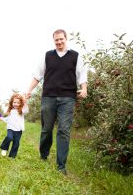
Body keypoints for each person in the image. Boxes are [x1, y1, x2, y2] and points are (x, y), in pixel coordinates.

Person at [26, 29, 88, 175]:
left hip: (68, 98)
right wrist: (28, 90)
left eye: (61, 39)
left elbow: (82, 75)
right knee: (46, 128)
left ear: (66, 39)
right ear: (53, 41)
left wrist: (84, 89)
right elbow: (37, 75)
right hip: (49, 97)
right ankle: (43, 155)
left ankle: (61, 166)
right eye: (56, 40)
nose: (59, 42)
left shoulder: (75, 56)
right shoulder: (47, 56)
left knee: (64, 130)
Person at [0, 93, 29, 158]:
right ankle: (4, 148)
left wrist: (25, 101)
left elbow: (26, 110)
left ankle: (12, 156)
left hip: (19, 130)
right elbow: (8, 118)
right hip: (10, 128)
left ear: (21, 103)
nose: (16, 104)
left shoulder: (21, 111)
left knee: (16, 143)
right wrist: (3, 119)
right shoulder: (11, 110)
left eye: (18, 103)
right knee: (9, 137)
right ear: (12, 102)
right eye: (14, 102)